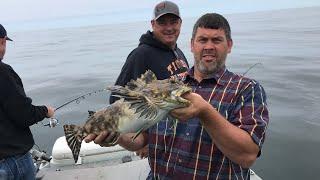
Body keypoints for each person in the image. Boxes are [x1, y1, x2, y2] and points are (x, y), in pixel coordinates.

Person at [86, 13, 269, 179]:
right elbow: (143, 139)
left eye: (217, 40)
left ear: (229, 45)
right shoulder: (166, 85)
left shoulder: (247, 89)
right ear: (191, 45)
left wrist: (205, 112)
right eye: (202, 40)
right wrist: (117, 135)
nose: (209, 47)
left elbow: (247, 156)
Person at [109, 1, 189, 158]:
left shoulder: (177, 51)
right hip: (160, 145)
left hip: (179, 139)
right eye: (162, 22)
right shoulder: (141, 55)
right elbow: (116, 101)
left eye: (173, 22)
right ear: (153, 24)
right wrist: (145, 138)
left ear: (180, 23)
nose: (169, 28)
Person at [0, 24, 55, 180]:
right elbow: (23, 114)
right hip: (11, 161)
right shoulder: (3, 72)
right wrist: (46, 111)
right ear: (3, 41)